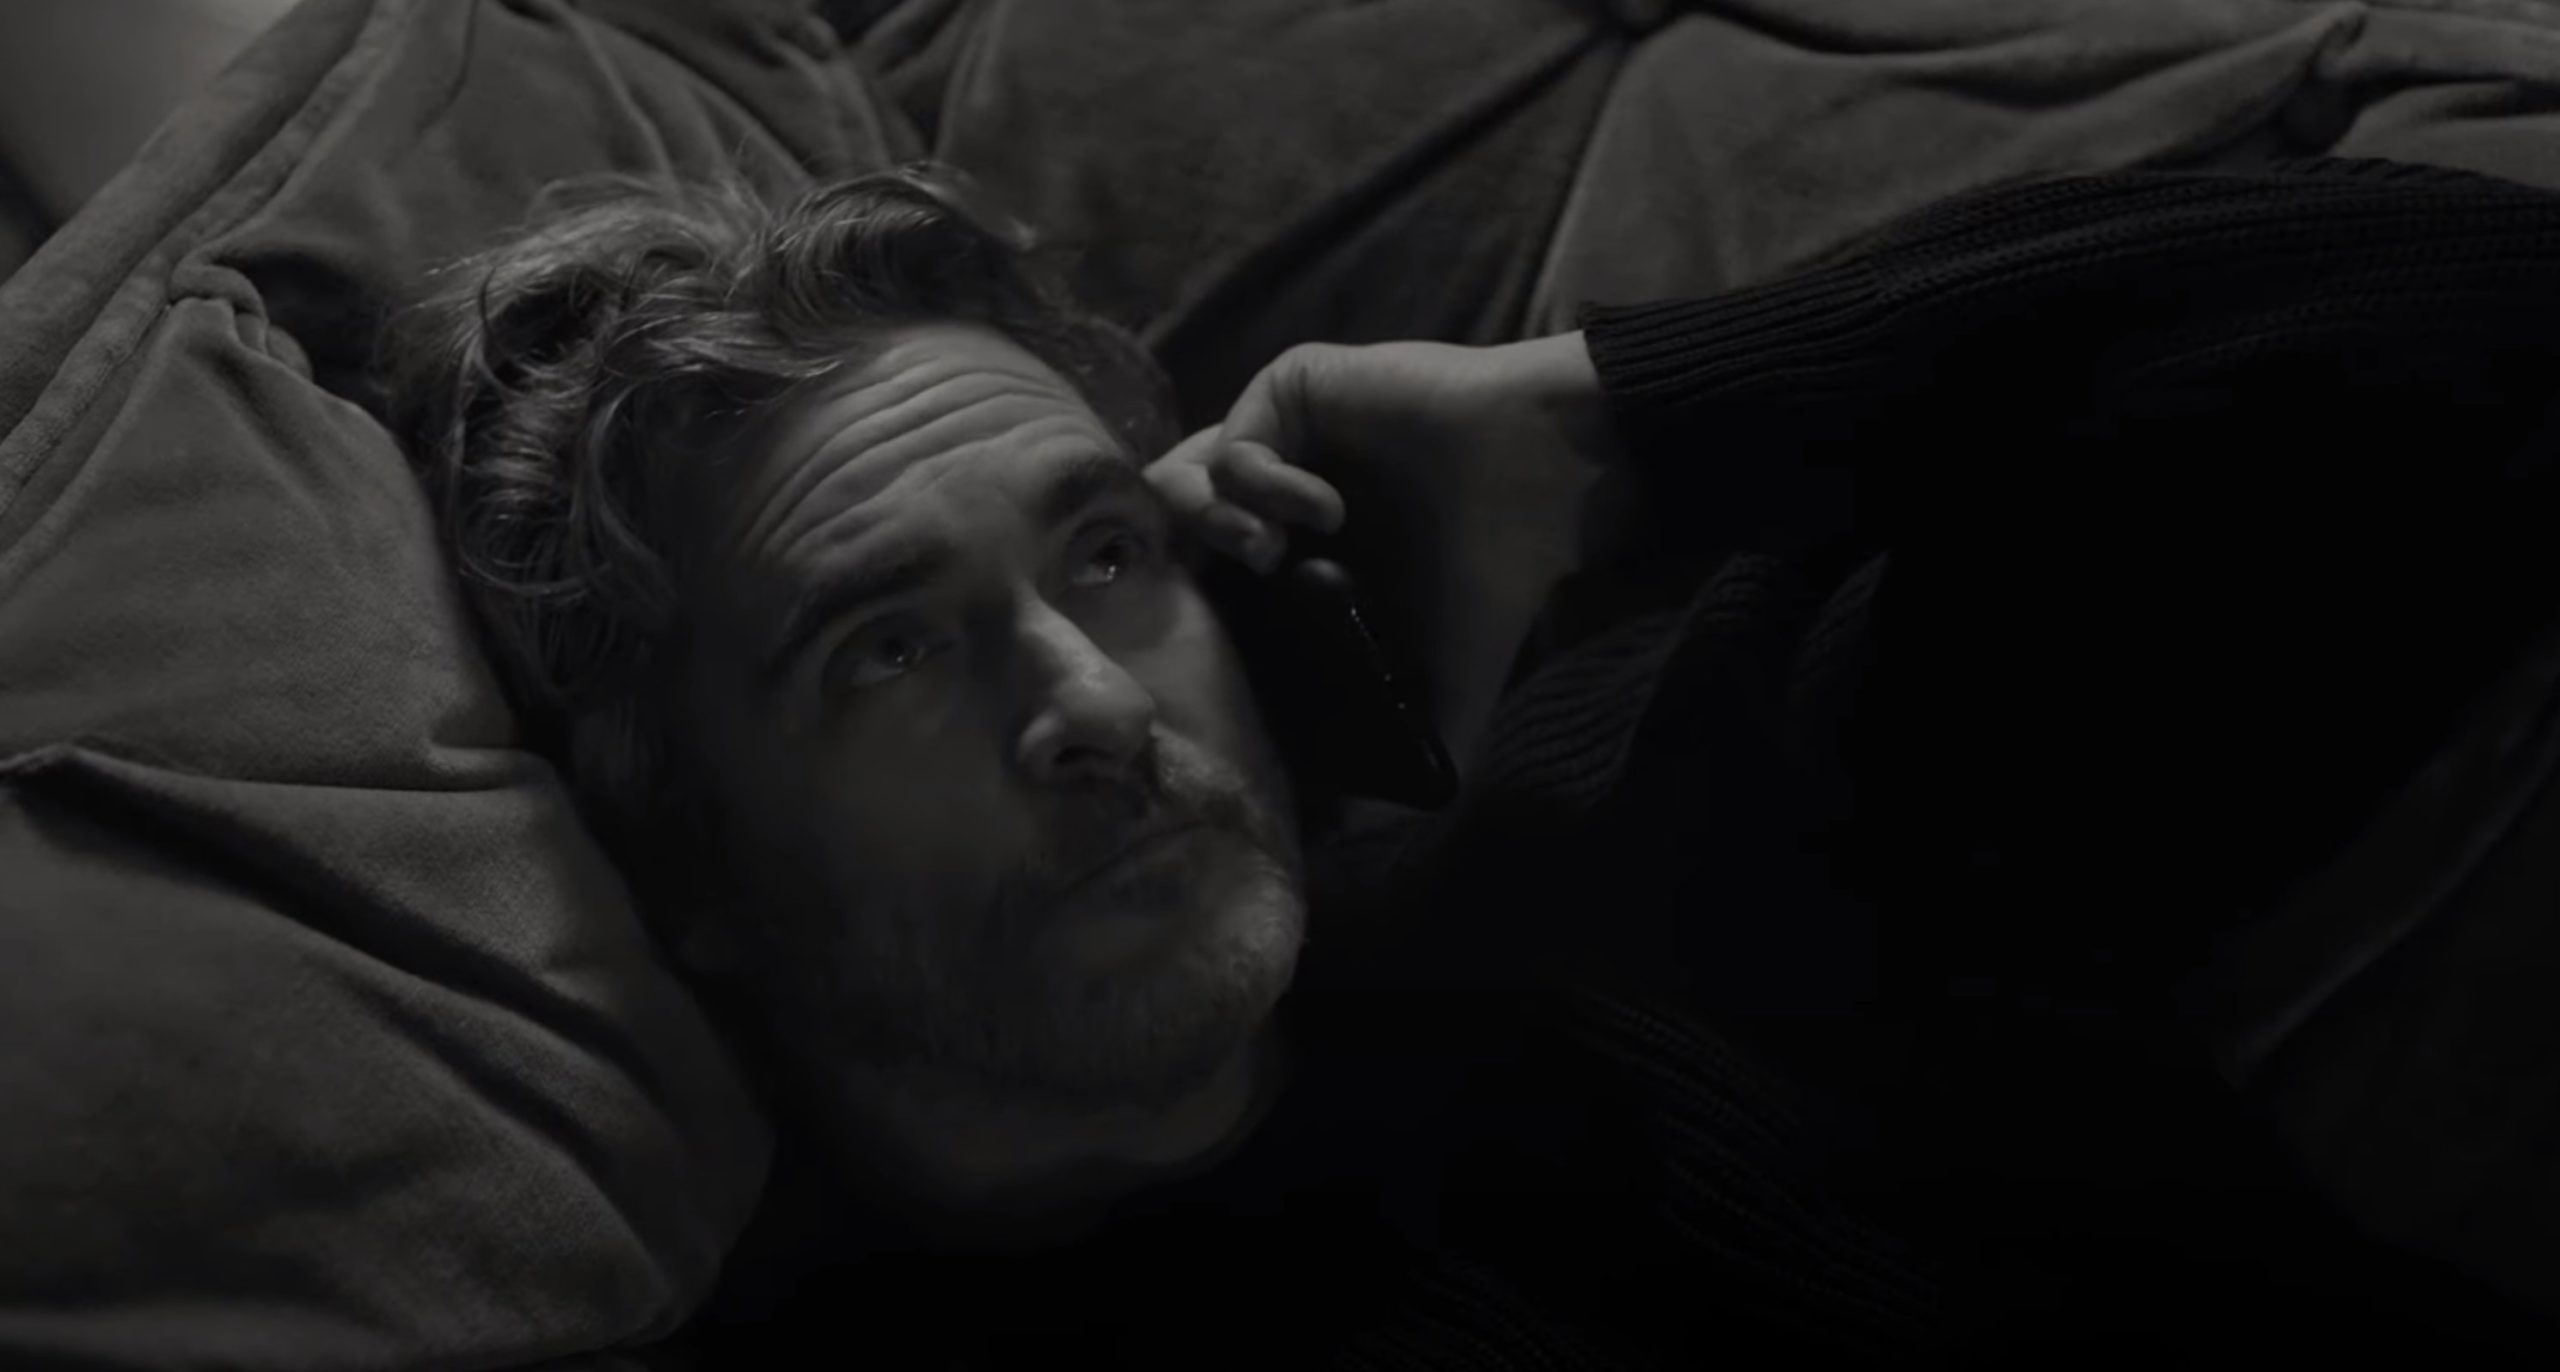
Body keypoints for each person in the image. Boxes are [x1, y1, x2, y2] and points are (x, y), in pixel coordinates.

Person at [387, 157, 2560, 1367]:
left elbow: (2493, 335)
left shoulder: (1658, 819)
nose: (1091, 704)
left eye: (1108, 552)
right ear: (681, 861)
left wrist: (1596, 425)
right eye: (885, 647)